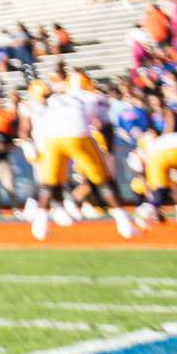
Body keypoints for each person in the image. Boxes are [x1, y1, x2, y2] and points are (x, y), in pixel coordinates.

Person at [24, 77, 137, 241]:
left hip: (51, 139)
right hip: (77, 136)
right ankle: (124, 225)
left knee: (48, 183)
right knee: (103, 181)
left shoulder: (56, 97)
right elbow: (106, 126)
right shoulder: (92, 97)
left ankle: (39, 227)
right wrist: (108, 152)